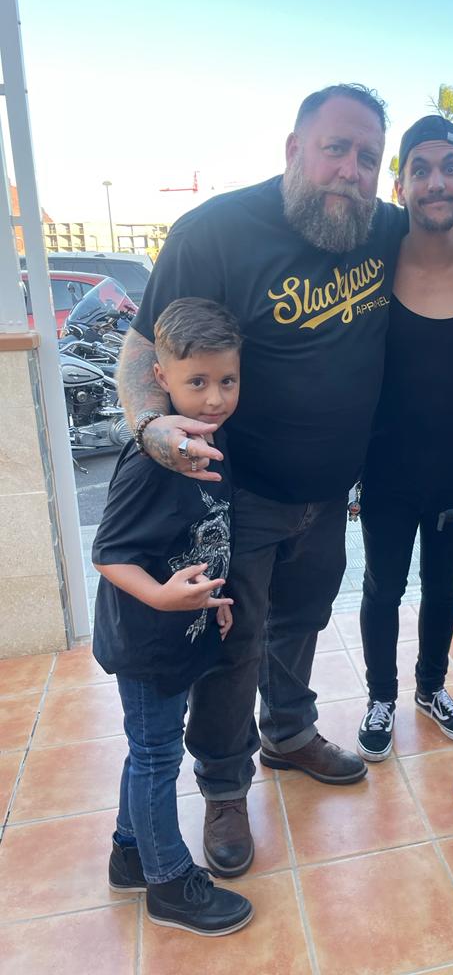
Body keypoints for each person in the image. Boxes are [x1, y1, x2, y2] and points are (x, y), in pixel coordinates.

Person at [117, 84, 406, 879]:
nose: (351, 169)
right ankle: (222, 786)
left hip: (329, 496)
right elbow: (142, 351)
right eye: (336, 148)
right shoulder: (214, 233)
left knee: (303, 620)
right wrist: (151, 428)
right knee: (231, 645)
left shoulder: (382, 230)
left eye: (368, 158)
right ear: (293, 150)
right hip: (236, 496)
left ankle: (287, 732)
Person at [93, 298, 253, 936]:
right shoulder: (151, 459)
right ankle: (168, 884)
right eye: (197, 382)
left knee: (149, 751)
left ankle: (131, 852)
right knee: (157, 756)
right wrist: (163, 598)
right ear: (160, 378)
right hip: (146, 641)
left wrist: (211, 598)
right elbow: (109, 554)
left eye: (227, 381)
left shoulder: (209, 442)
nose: (214, 398)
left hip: (181, 630)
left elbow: (203, 532)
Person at [355, 116, 453, 762]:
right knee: (383, 588)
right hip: (387, 473)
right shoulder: (373, 261)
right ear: (401, 184)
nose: (436, 180)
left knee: (444, 591)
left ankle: (427, 689)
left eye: (450, 166)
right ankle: (381, 695)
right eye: (420, 168)